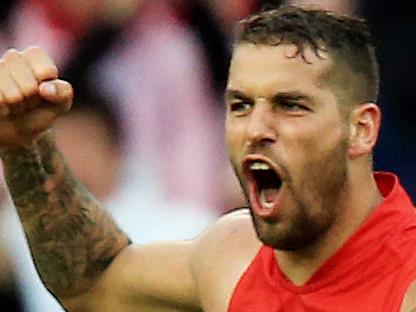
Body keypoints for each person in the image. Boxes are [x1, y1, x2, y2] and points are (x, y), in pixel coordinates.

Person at [0, 4, 415, 311]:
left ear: (361, 130)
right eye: (240, 105)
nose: (256, 129)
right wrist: (23, 145)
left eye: (291, 105)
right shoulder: (232, 254)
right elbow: (91, 283)